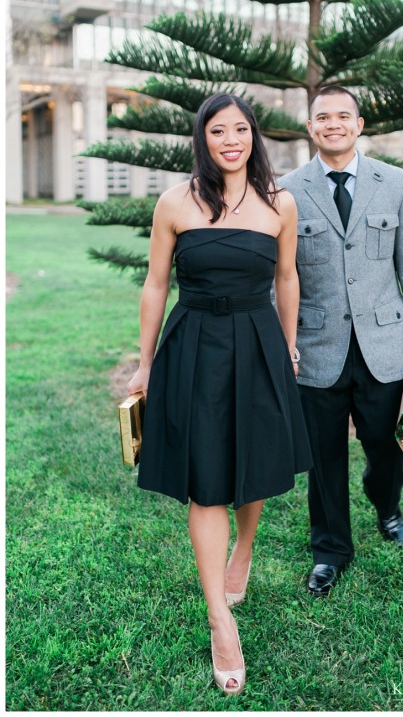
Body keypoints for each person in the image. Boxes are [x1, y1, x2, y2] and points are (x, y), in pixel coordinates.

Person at [127, 93, 312, 694]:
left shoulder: (279, 202)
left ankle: (245, 548)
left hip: (259, 341)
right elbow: (156, 285)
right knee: (206, 476)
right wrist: (145, 364)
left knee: (254, 464)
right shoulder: (174, 201)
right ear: (202, 139)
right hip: (194, 343)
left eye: (240, 129)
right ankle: (219, 617)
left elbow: (287, 278)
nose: (230, 139)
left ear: (253, 136)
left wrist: (286, 349)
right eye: (217, 131)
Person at [278, 86, 403, 596]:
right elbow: (279, 276)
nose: (333, 123)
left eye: (342, 116)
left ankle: (386, 503)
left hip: (386, 346)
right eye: (322, 117)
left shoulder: (393, 182)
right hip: (316, 348)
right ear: (310, 128)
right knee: (323, 459)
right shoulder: (285, 189)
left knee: (387, 448)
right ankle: (330, 550)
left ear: (359, 124)